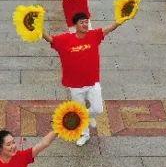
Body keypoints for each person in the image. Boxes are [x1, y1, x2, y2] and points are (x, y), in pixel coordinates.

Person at [40, 12, 126, 146]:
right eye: (82, 22)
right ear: (75, 25)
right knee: (80, 110)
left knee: (98, 109)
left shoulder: (94, 35)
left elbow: (108, 29)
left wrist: (119, 21)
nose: (85, 24)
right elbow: (50, 40)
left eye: (86, 22)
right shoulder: (65, 39)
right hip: (75, 85)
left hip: (92, 82)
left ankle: (84, 116)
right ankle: (85, 135)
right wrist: (40, 30)